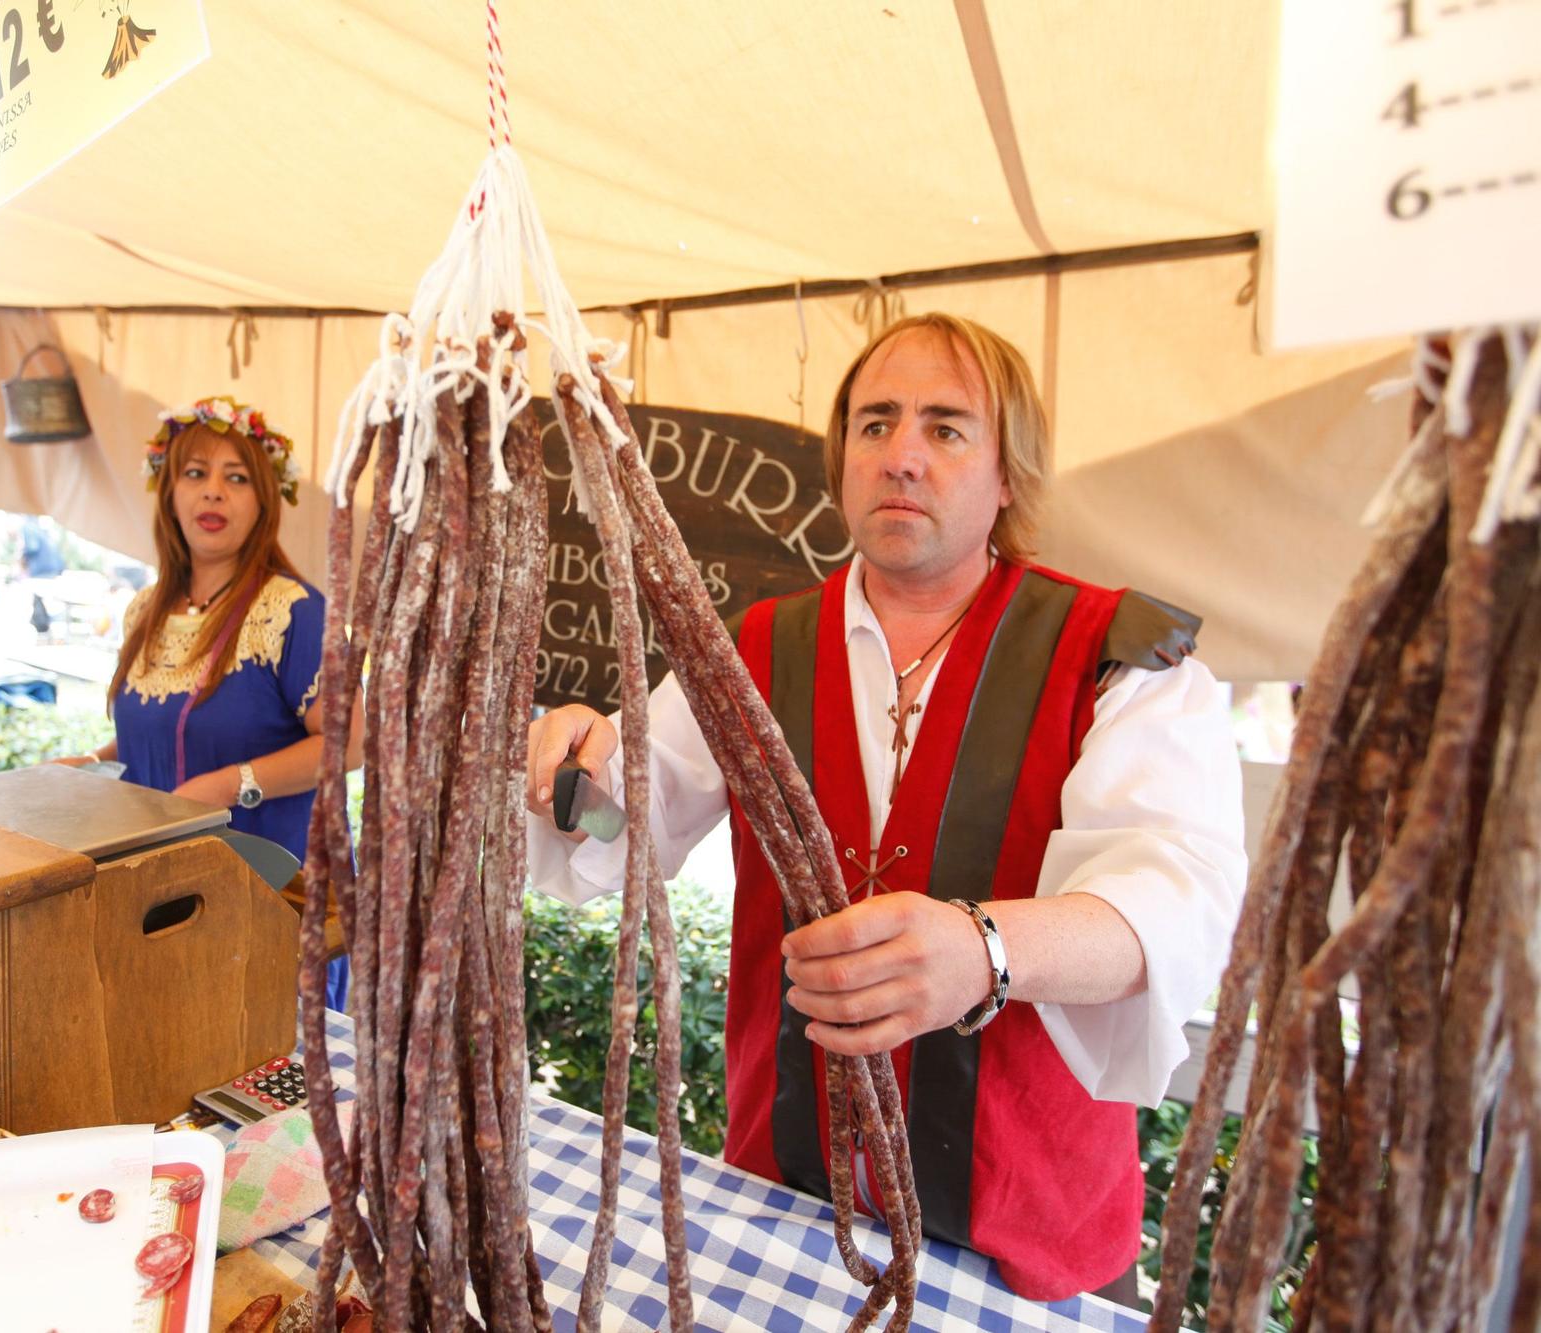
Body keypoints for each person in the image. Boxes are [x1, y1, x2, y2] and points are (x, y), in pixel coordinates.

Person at [524, 313, 1245, 1303]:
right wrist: (571, 777)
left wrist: (984, 952)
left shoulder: (1114, 657)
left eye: (944, 428)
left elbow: (1177, 902)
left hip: (1023, 1248)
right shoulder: (748, 651)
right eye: (874, 424)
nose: (900, 454)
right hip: (785, 1212)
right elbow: (618, 837)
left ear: (1007, 475)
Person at [64, 397, 362, 1010]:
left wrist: (229, 786)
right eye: (195, 474)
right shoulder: (145, 611)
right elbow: (165, 727)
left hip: (267, 889)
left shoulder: (295, 612)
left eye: (237, 477)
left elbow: (350, 741)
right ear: (169, 492)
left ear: (264, 501)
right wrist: (88, 766)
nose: (214, 493)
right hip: (151, 889)